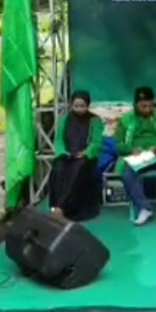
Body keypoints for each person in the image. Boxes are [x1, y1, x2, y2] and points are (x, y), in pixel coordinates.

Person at [115, 86, 156, 225]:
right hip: (137, 156)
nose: (147, 109)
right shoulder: (126, 119)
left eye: (150, 105)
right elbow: (118, 144)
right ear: (135, 105)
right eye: (143, 106)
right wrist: (131, 149)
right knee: (127, 175)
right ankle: (144, 208)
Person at [49, 90, 105, 221]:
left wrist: (86, 153)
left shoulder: (95, 120)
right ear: (71, 105)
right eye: (76, 106)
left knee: (78, 169)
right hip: (66, 154)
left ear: (88, 105)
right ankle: (58, 206)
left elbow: (96, 142)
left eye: (82, 106)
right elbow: (58, 140)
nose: (79, 109)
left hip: (85, 157)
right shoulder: (64, 119)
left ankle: (61, 208)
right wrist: (63, 153)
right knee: (59, 168)